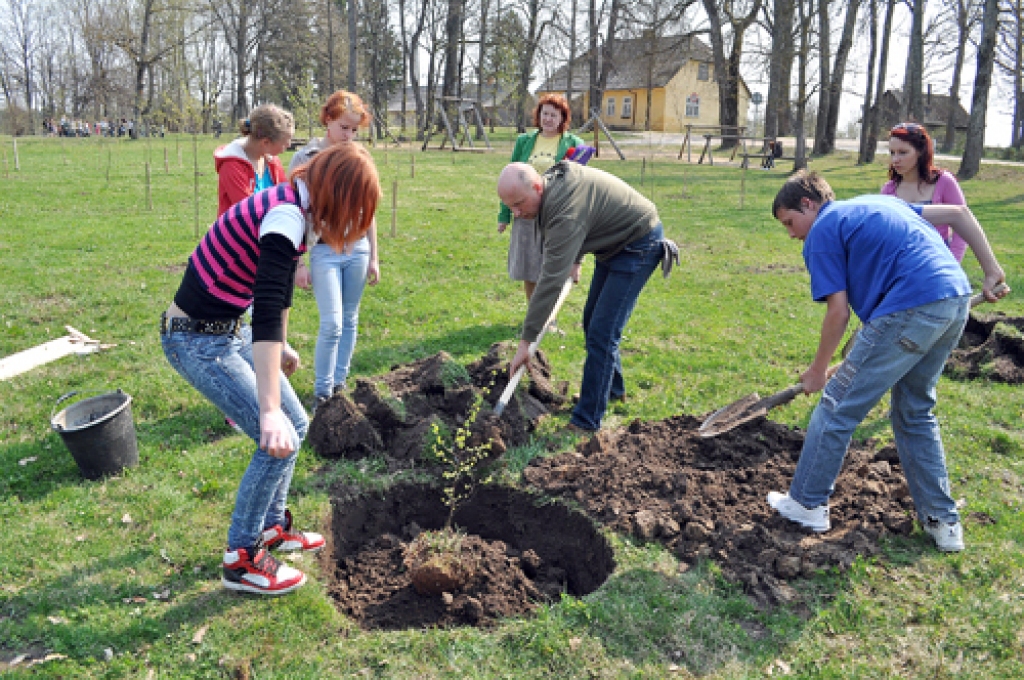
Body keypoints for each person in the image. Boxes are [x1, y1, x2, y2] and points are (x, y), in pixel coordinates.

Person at [160, 144, 382, 595]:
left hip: (227, 328)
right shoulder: (285, 219)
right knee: (275, 438)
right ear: (337, 195)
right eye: (354, 208)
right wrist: (267, 409)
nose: (354, 220)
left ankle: (272, 529)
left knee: (296, 423)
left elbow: (276, 295)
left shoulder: (295, 206)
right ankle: (241, 559)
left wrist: (279, 347)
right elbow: (265, 314)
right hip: (197, 339)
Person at [768, 171, 1007, 552]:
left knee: (836, 408)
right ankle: (942, 521)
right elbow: (959, 214)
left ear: (808, 205)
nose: (792, 234)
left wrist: (817, 371)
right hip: (954, 301)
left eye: (790, 223)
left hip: (911, 307)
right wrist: (991, 268)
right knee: (914, 410)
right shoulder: (879, 203)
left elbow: (838, 313)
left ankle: (807, 504)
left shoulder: (823, 231)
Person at [498, 161, 678, 434]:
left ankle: (587, 420)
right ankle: (612, 391)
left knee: (602, 333)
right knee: (592, 320)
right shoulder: (550, 188)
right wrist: (576, 256)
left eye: (520, 204)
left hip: (638, 244)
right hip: (612, 243)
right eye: (510, 206)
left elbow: (549, 283)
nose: (516, 213)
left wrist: (526, 341)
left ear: (536, 186)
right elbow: (588, 212)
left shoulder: (563, 211)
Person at [288, 91, 380, 409]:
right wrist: (298, 263)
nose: (349, 136)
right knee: (332, 324)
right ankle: (322, 392)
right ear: (328, 119)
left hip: (358, 249)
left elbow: (369, 210)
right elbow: (294, 214)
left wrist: (374, 257)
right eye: (344, 128)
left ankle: (340, 383)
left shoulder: (359, 157)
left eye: (355, 130)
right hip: (324, 250)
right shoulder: (306, 157)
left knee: (351, 319)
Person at [498, 95, 585, 310]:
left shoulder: (574, 144)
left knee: (552, 266)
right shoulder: (524, 141)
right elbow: (511, 179)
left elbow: (580, 179)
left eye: (553, 115)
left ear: (563, 118)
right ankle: (533, 313)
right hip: (526, 212)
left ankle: (549, 317)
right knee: (529, 267)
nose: (548, 118)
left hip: (555, 212)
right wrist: (504, 215)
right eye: (545, 113)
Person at [883, 122, 968, 263]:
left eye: (903, 152)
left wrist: (952, 264)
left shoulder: (943, 181)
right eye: (892, 153)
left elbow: (963, 227)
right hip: (902, 264)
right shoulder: (889, 190)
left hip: (939, 260)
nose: (895, 159)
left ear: (921, 151)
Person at [214, 104, 294, 216]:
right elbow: (248, 211)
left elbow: (285, 196)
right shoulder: (231, 166)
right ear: (265, 143)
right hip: (239, 232)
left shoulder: (272, 161)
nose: (289, 145)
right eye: (285, 142)